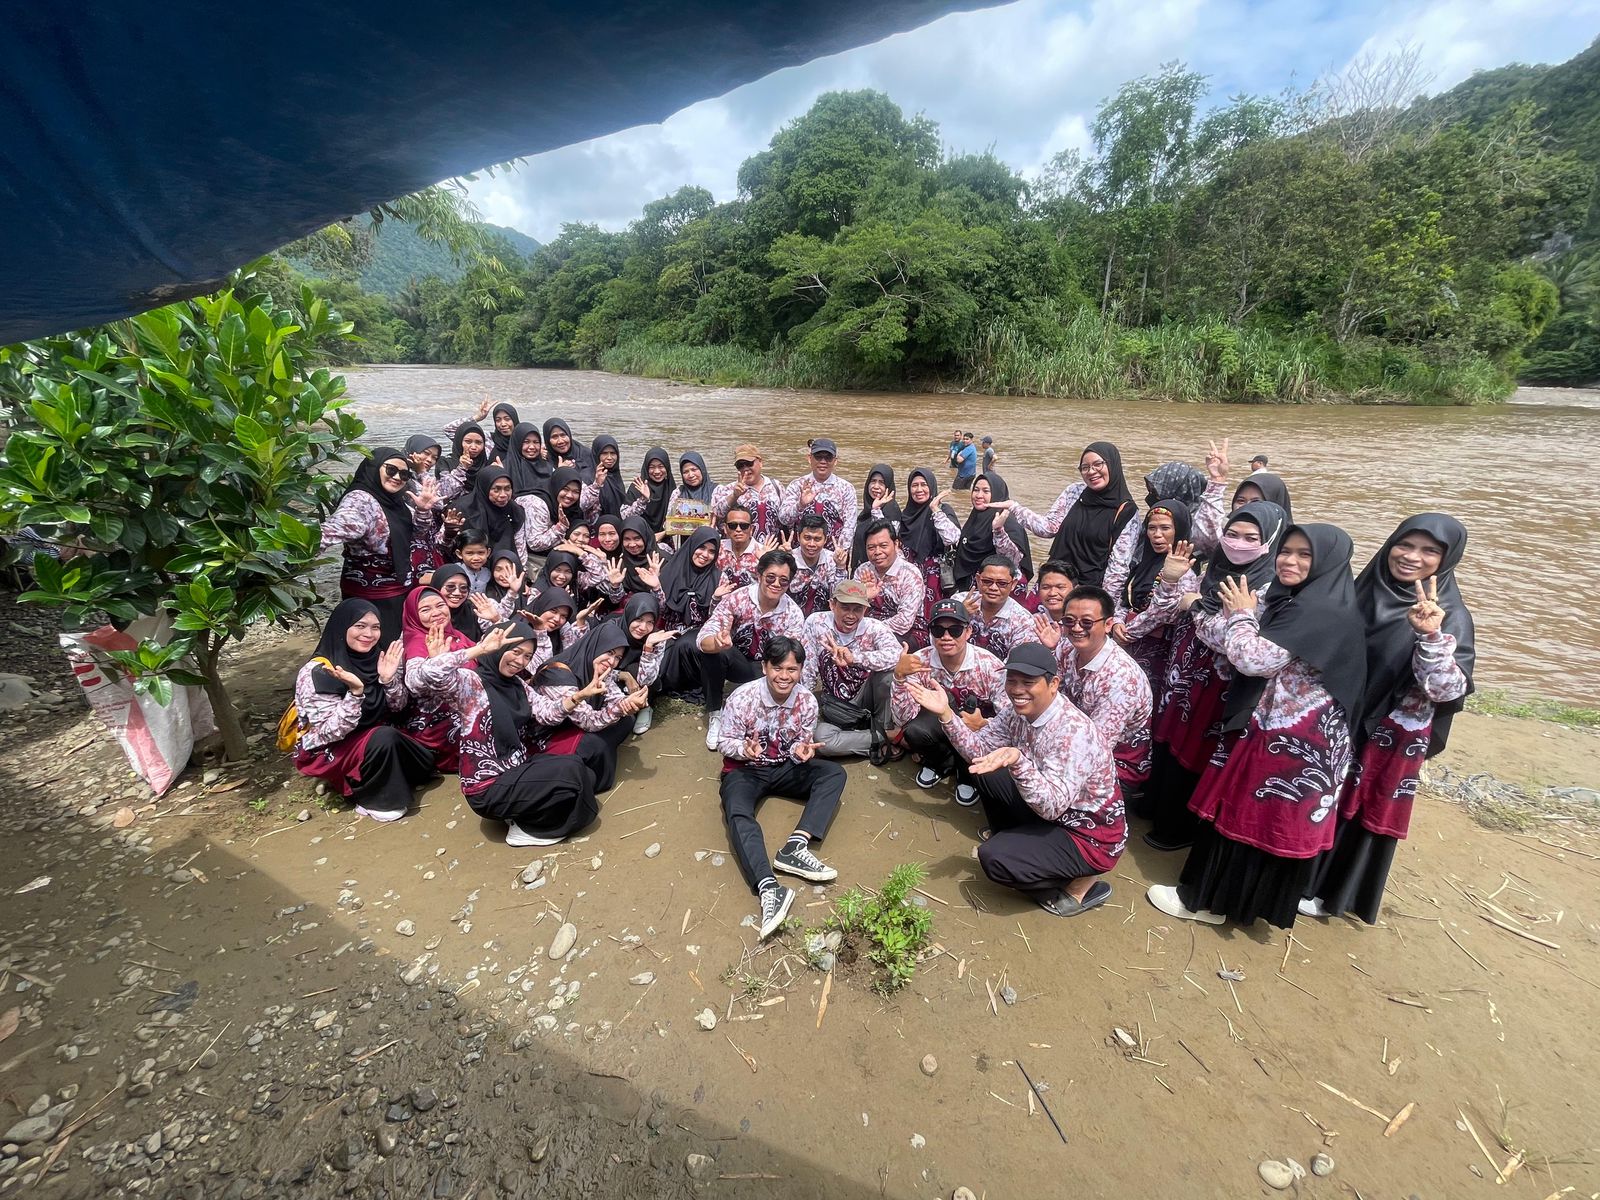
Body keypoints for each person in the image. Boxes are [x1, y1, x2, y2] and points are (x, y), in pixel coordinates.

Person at [1147, 524, 1366, 930]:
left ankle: (1207, 903)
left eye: (1305, 555)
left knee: (1249, 816)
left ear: (1328, 562)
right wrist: (1205, 610)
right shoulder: (1286, 595)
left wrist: (1240, 617)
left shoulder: (1321, 611)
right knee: (1242, 812)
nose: (1290, 561)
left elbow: (1252, 658)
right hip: (1271, 724)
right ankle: (1223, 901)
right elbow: (1221, 634)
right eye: (1287, 551)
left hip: (1297, 739)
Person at [1303, 515, 1474, 923]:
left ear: (1447, 559)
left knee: (1361, 807)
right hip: (1342, 715)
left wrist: (1430, 638)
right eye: (1405, 545)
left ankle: (1331, 894)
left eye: (1429, 551)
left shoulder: (1448, 614)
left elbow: (1449, 690)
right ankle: (1300, 875)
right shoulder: (1362, 590)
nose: (1412, 557)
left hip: (1391, 733)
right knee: (1321, 794)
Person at [906, 643, 1123, 917]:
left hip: (1086, 833)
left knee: (994, 858)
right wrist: (946, 715)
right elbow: (978, 752)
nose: (1017, 689)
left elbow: (1051, 807)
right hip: (1054, 810)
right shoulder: (1015, 712)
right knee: (987, 769)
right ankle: (1021, 844)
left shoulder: (1072, 733)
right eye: (1012, 680)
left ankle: (1079, 884)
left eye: (1028, 681)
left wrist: (1018, 761)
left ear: (1053, 683)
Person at [1143, 500, 1288, 851]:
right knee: (1168, 738)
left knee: (1196, 750)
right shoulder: (1212, 570)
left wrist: (1195, 607)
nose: (1238, 543)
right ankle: (1153, 807)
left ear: (1271, 540)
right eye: (1232, 534)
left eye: (1251, 537)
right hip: (1185, 672)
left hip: (1222, 685)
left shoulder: (1271, 588)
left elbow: (1230, 641)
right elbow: (1164, 608)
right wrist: (1171, 581)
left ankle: (1178, 827)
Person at [425, 620, 607, 847]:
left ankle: (521, 812)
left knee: (582, 771)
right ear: (496, 648)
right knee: (570, 775)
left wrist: (578, 697)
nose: (520, 662)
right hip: (487, 787)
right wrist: (480, 649)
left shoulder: (517, 685)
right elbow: (429, 674)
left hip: (516, 770)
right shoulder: (470, 683)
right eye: (516, 651)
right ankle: (527, 828)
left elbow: (546, 713)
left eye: (528, 657)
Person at [716, 636, 844, 940]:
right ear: (764, 666)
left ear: (800, 670)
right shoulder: (742, 697)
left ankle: (795, 847)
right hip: (746, 770)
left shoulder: (807, 701)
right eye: (778, 668)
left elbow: (801, 740)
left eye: (792, 669)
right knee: (737, 812)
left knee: (834, 774)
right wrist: (743, 750)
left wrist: (803, 750)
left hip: (786, 767)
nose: (784, 676)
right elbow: (723, 741)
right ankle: (769, 887)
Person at [289, 599, 435, 822]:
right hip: (333, 747)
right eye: (360, 626)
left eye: (375, 627)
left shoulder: (377, 657)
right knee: (384, 738)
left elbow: (398, 706)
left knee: (428, 761)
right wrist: (355, 693)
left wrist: (388, 680)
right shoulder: (318, 672)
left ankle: (381, 770)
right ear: (341, 627)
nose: (369, 633)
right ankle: (376, 799)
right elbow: (328, 731)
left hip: (375, 736)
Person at [889, 597, 1006, 806]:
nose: (946, 637)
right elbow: (902, 717)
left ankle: (966, 772)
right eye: (938, 630)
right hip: (938, 726)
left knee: (972, 714)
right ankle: (941, 763)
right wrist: (898, 677)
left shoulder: (990, 665)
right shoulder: (919, 661)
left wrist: (984, 724)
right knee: (914, 731)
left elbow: (1009, 715)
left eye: (955, 630)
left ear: (968, 631)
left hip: (978, 731)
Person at [1037, 585, 1152, 796]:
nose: (1077, 628)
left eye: (1087, 622)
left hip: (1114, 766)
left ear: (1108, 624)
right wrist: (1047, 651)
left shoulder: (1122, 680)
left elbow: (1096, 748)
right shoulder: (1065, 648)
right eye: (1069, 621)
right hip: (1070, 737)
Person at [319, 447, 440, 643]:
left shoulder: (396, 501)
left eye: (404, 474)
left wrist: (423, 510)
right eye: (391, 470)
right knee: (372, 643)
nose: (397, 477)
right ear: (374, 468)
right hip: (369, 592)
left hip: (398, 586)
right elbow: (336, 527)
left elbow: (416, 534)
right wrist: (299, 550)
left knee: (394, 642)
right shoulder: (361, 499)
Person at [697, 548, 807, 750]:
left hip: (768, 670)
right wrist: (718, 642)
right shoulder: (737, 598)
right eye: (770, 577)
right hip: (737, 661)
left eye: (784, 580)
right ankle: (716, 714)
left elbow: (792, 658)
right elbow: (702, 639)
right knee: (715, 652)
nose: (776, 584)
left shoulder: (793, 614)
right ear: (759, 575)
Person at [993, 441, 1137, 591]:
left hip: (1086, 593)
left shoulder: (1127, 512)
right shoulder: (1075, 492)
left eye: (1098, 464)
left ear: (1112, 464)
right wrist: (1014, 507)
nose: (1091, 471)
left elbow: (1118, 569)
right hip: (1051, 583)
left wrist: (1103, 605)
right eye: (1085, 467)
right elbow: (1049, 528)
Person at [529, 620, 654, 792]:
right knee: (596, 743)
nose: (612, 661)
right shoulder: (556, 674)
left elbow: (614, 697)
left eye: (618, 657)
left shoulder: (598, 667)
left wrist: (627, 703)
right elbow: (589, 722)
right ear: (596, 645)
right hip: (546, 736)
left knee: (626, 720)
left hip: (577, 723)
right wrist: (620, 708)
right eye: (609, 652)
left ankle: (588, 765)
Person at [801, 579, 902, 760]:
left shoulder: (875, 627)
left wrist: (855, 658)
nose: (851, 615)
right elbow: (807, 668)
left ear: (865, 609)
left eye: (857, 609)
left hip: (868, 697)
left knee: (888, 676)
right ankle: (883, 738)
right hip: (836, 705)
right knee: (822, 741)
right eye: (845, 608)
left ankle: (882, 726)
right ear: (832, 605)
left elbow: (897, 656)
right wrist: (802, 712)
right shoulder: (816, 623)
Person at [1108, 500, 1197, 698]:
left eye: (1165, 528)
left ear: (1179, 530)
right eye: (1152, 528)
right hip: (1125, 640)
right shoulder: (1142, 565)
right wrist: (1116, 622)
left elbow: (1162, 613)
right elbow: (1126, 600)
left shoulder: (1186, 572)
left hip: (1156, 651)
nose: (1157, 535)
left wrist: (1127, 632)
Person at [399, 584, 476, 772]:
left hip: (467, 703)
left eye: (440, 605)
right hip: (438, 720)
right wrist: (436, 662)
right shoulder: (416, 642)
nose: (436, 613)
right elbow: (415, 683)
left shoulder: (455, 635)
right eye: (425, 609)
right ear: (413, 615)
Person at [943, 473, 1030, 593]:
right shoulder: (975, 519)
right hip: (973, 586)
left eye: (986, 491)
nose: (979, 495)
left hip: (999, 589)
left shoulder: (1008, 521)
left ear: (996, 494)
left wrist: (998, 530)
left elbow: (1013, 558)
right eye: (976, 490)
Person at [855, 519, 928, 648]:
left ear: (896, 544)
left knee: (871, 647)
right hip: (866, 626)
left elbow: (904, 621)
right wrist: (864, 598)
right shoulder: (863, 571)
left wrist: (871, 631)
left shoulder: (910, 574)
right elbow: (851, 611)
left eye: (883, 546)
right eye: (871, 547)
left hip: (907, 631)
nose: (877, 552)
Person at [778, 438, 855, 555]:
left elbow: (849, 526)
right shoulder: (797, 485)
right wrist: (800, 505)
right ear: (809, 458)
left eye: (828, 457)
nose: (823, 461)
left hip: (834, 555)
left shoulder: (846, 488)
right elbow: (783, 519)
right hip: (799, 555)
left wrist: (840, 552)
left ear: (835, 461)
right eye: (818, 457)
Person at [898, 466, 959, 614]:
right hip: (909, 579)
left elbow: (952, 538)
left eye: (924, 485)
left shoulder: (943, 511)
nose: (919, 490)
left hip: (935, 579)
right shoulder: (905, 515)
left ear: (932, 486)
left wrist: (935, 509)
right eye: (914, 485)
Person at [963, 555, 1034, 660]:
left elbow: (1017, 663)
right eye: (987, 581)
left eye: (1002, 583)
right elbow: (939, 641)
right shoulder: (959, 602)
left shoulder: (1023, 620)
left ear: (1013, 584)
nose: (993, 588)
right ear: (978, 579)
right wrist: (960, 614)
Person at [712, 444, 786, 541]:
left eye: (749, 463)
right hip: (741, 549)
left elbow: (785, 519)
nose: (745, 468)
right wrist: (734, 496)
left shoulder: (776, 486)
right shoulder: (728, 489)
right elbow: (717, 514)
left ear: (760, 462)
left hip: (772, 549)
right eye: (740, 465)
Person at [457, 465, 525, 556]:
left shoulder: (512, 509)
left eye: (507, 489)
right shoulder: (464, 509)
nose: (503, 495)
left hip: (504, 564)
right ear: (485, 487)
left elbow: (519, 542)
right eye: (496, 490)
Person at [849, 464, 902, 571]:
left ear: (888, 486)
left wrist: (876, 510)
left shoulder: (891, 510)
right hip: (861, 571)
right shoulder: (865, 512)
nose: (876, 486)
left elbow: (888, 540)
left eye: (881, 483)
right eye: (873, 481)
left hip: (878, 572)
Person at [787, 513, 840, 615]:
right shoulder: (789, 558)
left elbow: (837, 596)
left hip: (823, 617)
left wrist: (840, 567)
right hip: (792, 615)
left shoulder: (832, 559)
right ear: (798, 537)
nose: (811, 544)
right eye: (807, 538)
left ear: (825, 539)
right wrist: (784, 561)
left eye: (817, 539)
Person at [622, 447, 675, 533]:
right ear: (646, 469)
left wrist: (663, 534)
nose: (657, 471)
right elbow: (625, 517)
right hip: (639, 537)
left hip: (664, 538)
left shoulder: (671, 488)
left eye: (661, 466)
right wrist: (643, 500)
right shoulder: (638, 486)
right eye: (652, 467)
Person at [717, 503, 765, 591]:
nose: (738, 529)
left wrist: (767, 561)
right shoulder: (717, 548)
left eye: (744, 526)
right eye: (732, 525)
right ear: (725, 528)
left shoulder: (763, 552)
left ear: (751, 529)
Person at [436, 421, 486, 502]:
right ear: (459, 441)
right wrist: (462, 468)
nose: (473, 447)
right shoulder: (445, 462)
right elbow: (445, 493)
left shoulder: (486, 465)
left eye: (478, 442)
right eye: (468, 441)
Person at [503, 422, 552, 497]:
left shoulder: (549, 468)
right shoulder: (504, 469)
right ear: (517, 443)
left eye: (536, 442)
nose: (532, 447)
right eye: (526, 442)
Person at [590, 435, 627, 514]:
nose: (609, 457)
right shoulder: (589, 477)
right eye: (604, 453)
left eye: (613, 453)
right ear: (597, 454)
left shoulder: (616, 477)